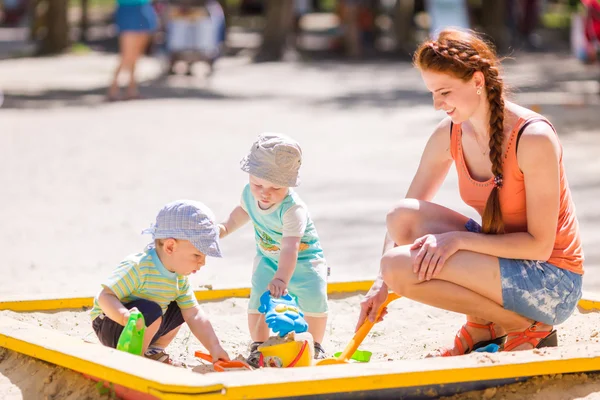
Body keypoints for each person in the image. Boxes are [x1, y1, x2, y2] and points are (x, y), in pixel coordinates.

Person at [356, 28, 584, 356]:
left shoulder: (533, 138)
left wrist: (458, 241)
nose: (437, 104)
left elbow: (539, 246)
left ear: (477, 81)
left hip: (552, 282)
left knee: (398, 266)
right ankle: (483, 324)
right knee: (401, 217)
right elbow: (407, 213)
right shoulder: (449, 133)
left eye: (444, 92)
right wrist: (379, 285)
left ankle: (525, 325)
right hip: (503, 262)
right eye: (432, 93)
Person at [218, 133, 329, 365]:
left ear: (288, 184)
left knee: (314, 298)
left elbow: (291, 247)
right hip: (268, 258)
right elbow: (243, 212)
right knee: (258, 298)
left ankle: (315, 344)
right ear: (250, 176)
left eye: (276, 187)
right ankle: (258, 343)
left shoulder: (292, 210)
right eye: (258, 184)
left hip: (304, 259)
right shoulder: (250, 194)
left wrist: (282, 278)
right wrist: (225, 227)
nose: (265, 193)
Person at [90, 200, 230, 366]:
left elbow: (194, 314)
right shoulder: (139, 267)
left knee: (182, 308)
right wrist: (124, 317)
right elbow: (104, 296)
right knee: (151, 311)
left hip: (145, 327)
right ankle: (135, 357)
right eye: (197, 255)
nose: (203, 263)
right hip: (112, 324)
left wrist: (214, 347)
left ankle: (153, 350)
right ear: (170, 247)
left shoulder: (179, 279)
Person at [107, 0, 159, 101]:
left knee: (136, 54)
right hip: (128, 11)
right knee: (126, 54)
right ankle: (113, 89)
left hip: (144, 10)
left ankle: (132, 89)